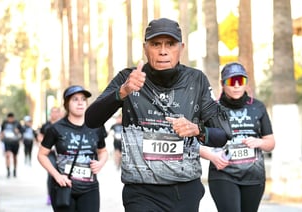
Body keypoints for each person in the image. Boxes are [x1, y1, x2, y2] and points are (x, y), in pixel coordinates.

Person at [85, 18, 231, 212]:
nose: (163, 51)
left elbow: (223, 135)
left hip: (184, 191)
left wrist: (197, 129)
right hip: (140, 192)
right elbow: (91, 120)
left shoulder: (197, 81)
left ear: (181, 47)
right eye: (156, 44)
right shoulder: (128, 78)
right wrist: (122, 92)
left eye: (170, 44)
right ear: (145, 48)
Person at [200, 62, 275, 212]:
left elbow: (270, 143)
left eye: (240, 81)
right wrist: (212, 156)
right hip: (223, 174)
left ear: (246, 83)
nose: (236, 86)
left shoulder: (258, 107)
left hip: (253, 176)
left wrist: (259, 142)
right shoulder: (211, 108)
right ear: (222, 84)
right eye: (231, 81)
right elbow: (194, 141)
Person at [37, 85, 108, 212]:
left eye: (83, 99)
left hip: (90, 188)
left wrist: (100, 163)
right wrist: (57, 176)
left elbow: (103, 151)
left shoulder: (96, 126)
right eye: (75, 99)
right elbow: (41, 155)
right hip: (64, 187)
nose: (80, 103)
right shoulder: (56, 128)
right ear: (66, 104)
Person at [39, 106, 62, 205]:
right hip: (50, 153)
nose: (55, 114)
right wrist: (46, 144)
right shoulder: (46, 126)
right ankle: (49, 195)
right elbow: (40, 136)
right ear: (50, 114)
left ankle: (61, 195)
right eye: (53, 112)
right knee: (51, 173)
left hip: (61, 154)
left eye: (57, 112)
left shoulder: (63, 125)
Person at [0, 112, 24, 178]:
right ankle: (8, 171)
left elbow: (22, 131)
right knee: (7, 155)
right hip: (7, 142)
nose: (10, 119)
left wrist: (18, 131)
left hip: (15, 142)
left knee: (14, 156)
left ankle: (14, 170)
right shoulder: (4, 123)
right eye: (9, 118)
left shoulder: (17, 123)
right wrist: (1, 139)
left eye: (11, 118)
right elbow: (2, 131)